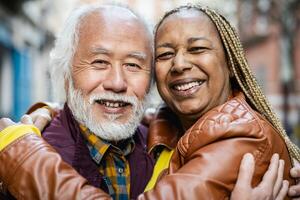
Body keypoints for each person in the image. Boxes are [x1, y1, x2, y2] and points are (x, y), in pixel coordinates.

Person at [0, 3, 299, 200]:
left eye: (133, 64)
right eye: (100, 62)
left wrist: (21, 153)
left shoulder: (242, 135)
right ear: (66, 75)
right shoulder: (169, 131)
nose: (117, 83)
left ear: (231, 65)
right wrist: (51, 111)